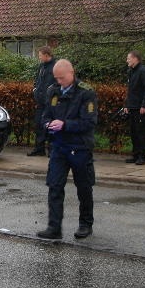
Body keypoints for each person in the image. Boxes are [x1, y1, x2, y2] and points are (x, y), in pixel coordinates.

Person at [37, 59, 97, 240]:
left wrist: (65, 125)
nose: (59, 82)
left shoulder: (86, 93)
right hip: (59, 147)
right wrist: (48, 124)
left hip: (80, 147)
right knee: (54, 186)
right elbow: (45, 116)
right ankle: (54, 227)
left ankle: (85, 224)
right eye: (56, 78)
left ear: (71, 73)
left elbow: (89, 122)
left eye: (62, 78)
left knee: (84, 187)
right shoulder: (52, 91)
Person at [122, 50, 145, 165]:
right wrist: (126, 104)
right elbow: (130, 90)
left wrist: (144, 105)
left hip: (140, 107)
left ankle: (142, 156)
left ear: (135, 58)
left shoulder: (143, 71)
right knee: (133, 132)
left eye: (128, 58)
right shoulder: (130, 71)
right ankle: (135, 155)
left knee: (141, 132)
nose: (127, 60)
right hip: (132, 106)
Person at [27, 46, 56, 156]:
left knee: (51, 126)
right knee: (39, 124)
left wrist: (51, 91)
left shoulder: (55, 66)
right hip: (40, 101)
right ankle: (39, 149)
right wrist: (35, 88)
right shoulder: (41, 66)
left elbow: (58, 82)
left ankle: (52, 150)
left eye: (40, 55)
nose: (39, 57)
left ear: (46, 55)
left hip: (50, 103)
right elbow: (37, 80)